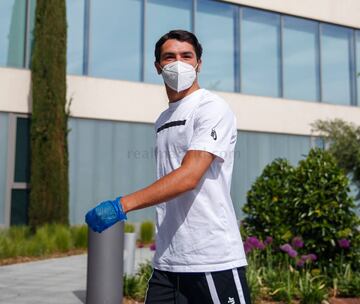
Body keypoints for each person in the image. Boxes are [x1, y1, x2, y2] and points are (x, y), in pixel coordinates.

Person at [85, 30, 251, 304]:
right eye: (169, 57)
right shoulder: (163, 118)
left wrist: (121, 205)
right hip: (168, 260)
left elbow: (189, 176)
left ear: (199, 63)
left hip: (211, 258)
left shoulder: (211, 107)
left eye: (187, 56)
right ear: (158, 66)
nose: (178, 63)